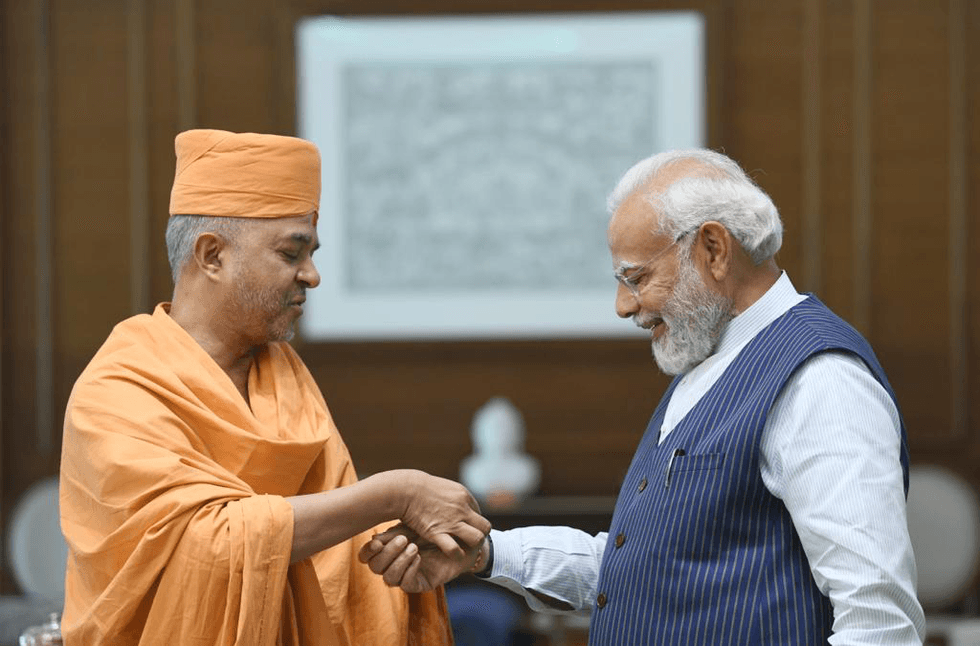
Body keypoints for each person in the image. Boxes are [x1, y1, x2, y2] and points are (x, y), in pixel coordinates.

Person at [360, 149, 926, 644]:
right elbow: (645, 572)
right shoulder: (711, 358)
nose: (624, 307)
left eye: (636, 277)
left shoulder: (820, 380)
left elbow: (878, 619)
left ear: (713, 249)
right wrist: (483, 556)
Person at [58, 129, 491, 645]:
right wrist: (394, 494)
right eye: (292, 253)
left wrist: (395, 544)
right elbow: (209, 545)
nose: (312, 275)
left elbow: (331, 552)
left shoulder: (281, 375)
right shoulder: (119, 389)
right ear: (212, 255)